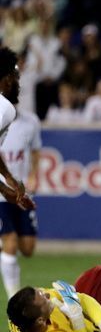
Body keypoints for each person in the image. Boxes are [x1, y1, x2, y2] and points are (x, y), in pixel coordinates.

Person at [0, 107, 41, 298]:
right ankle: (12, 296)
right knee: (10, 241)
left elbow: (35, 151)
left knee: (27, 248)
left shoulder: (31, 121)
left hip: (22, 192)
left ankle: (5, 253)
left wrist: (33, 174)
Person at [0, 47, 36, 211]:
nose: (18, 83)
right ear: (7, 79)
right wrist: (6, 190)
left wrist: (9, 177)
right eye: (16, 76)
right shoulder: (5, 107)